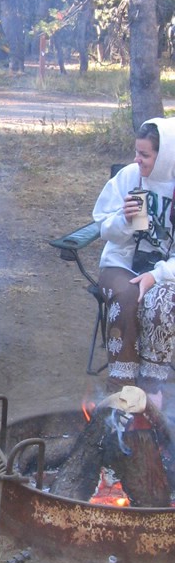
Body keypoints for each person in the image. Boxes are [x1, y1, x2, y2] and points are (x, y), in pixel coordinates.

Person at [93, 117, 175, 401]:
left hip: (167, 270)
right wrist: (125, 220)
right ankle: (122, 389)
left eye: (145, 155)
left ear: (165, 156)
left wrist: (158, 275)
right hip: (122, 263)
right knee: (127, 296)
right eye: (136, 152)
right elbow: (104, 228)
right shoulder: (131, 178)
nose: (136, 160)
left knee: (159, 302)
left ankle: (154, 392)